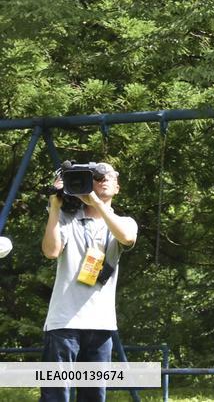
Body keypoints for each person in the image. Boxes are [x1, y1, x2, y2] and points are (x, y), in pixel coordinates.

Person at [40, 161, 138, 402]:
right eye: (96, 176)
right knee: (54, 395)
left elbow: (125, 238)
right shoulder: (66, 219)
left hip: (100, 325)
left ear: (118, 188)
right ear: (85, 183)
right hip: (63, 323)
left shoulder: (124, 222)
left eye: (109, 176)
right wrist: (54, 207)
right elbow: (51, 252)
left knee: (93, 396)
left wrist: (96, 203)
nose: (103, 178)